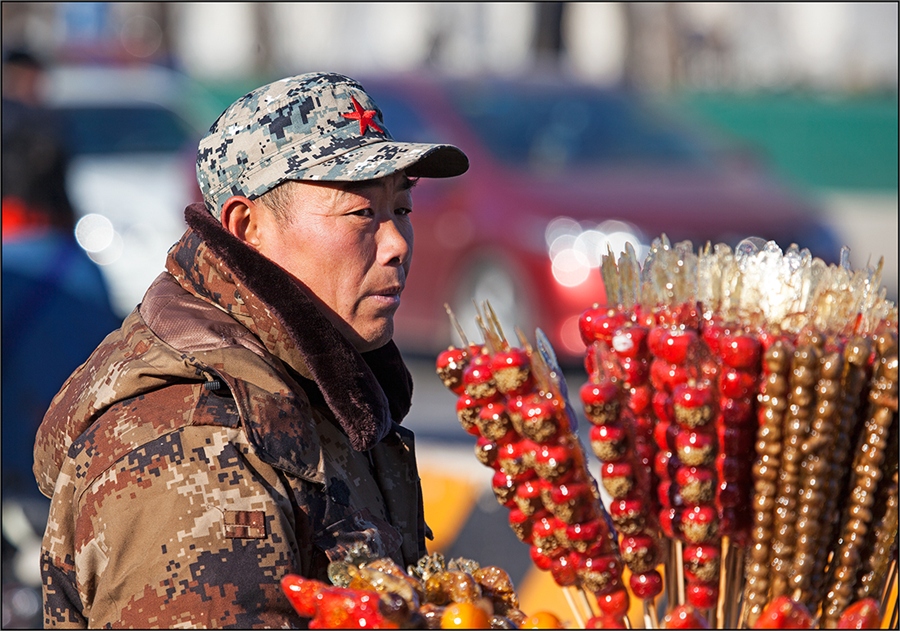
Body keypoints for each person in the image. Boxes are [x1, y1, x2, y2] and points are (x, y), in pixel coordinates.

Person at [33, 71, 469, 628]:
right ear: (246, 227)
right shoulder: (195, 449)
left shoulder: (311, 384)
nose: (397, 245)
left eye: (401, 210)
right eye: (362, 213)